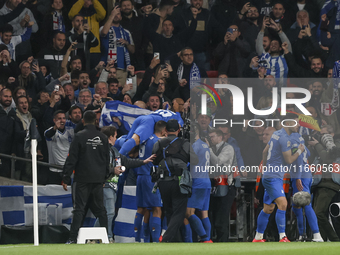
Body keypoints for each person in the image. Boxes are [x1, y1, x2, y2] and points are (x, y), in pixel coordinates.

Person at [93, 125, 155, 243]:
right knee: (109, 212)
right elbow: (98, 167)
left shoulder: (114, 150)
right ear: (110, 136)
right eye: (115, 136)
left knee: (105, 212)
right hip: (105, 184)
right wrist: (113, 170)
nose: (116, 139)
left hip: (113, 186)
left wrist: (143, 162)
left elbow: (126, 161)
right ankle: (107, 237)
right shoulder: (101, 150)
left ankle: (95, 236)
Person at [253, 113, 304, 242]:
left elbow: (265, 152)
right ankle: (283, 236)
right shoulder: (284, 138)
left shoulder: (276, 134)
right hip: (273, 177)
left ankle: (258, 237)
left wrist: (266, 169)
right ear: (287, 123)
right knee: (283, 204)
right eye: (295, 122)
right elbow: (289, 159)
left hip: (270, 175)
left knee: (268, 208)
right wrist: (299, 150)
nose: (298, 125)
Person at [63, 111, 109, 244]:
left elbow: (72, 159)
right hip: (98, 179)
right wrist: (105, 177)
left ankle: (72, 238)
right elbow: (107, 159)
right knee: (101, 210)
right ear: (96, 121)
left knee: (79, 209)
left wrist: (66, 177)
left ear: (83, 121)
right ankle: (106, 237)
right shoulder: (103, 137)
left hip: (82, 178)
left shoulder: (79, 136)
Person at [152, 119, 199, 242]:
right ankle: (167, 238)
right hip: (179, 181)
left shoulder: (159, 143)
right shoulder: (185, 143)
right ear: (178, 130)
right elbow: (195, 160)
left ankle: (175, 241)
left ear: (165, 130)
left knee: (169, 211)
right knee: (179, 212)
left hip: (163, 181)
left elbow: (154, 159)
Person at [134, 121, 167, 243]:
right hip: (151, 177)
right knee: (157, 208)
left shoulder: (145, 139)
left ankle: (140, 240)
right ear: (163, 131)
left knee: (143, 209)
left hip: (140, 175)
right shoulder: (157, 142)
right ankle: (156, 242)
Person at [289, 132, 323, 242]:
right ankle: (302, 234)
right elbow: (307, 154)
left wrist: (297, 176)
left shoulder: (293, 142)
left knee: (305, 204)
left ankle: (317, 235)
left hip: (301, 176)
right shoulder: (301, 143)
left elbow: (298, 158)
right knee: (297, 206)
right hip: (305, 175)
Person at [308, 125, 340, 241]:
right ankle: (322, 239)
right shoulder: (320, 147)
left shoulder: (337, 145)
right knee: (319, 215)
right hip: (319, 183)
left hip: (330, 184)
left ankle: (335, 239)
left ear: (331, 135)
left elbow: (327, 158)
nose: (320, 137)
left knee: (319, 213)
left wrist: (317, 145)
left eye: (323, 135)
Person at [118, 109, 184, 156]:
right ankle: (116, 161)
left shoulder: (174, 114)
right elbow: (178, 126)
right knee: (134, 141)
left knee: (130, 150)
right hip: (149, 122)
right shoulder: (179, 121)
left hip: (144, 118)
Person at [45, 110, 74, 184]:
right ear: (54, 120)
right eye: (59, 118)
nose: (62, 120)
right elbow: (48, 135)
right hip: (55, 169)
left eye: (64, 118)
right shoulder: (49, 131)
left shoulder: (70, 131)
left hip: (68, 169)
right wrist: (55, 128)